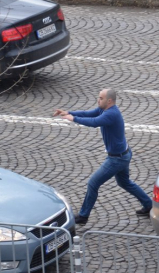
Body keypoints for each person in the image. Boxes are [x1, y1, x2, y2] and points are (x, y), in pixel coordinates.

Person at [54, 89, 153, 226]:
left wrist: (73, 119)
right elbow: (88, 113)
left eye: (100, 98)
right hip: (124, 154)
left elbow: (94, 122)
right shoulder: (104, 109)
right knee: (124, 182)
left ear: (109, 101)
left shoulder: (111, 114)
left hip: (117, 159)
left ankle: (83, 216)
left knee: (93, 183)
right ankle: (149, 204)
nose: (98, 100)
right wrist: (69, 112)